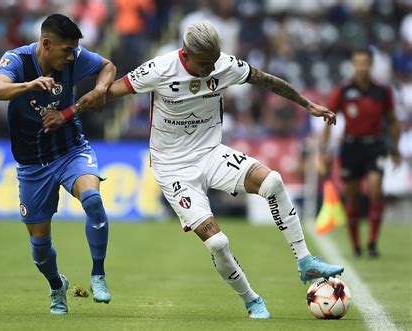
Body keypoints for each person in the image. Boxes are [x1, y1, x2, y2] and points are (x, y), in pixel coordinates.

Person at [44, 21, 345, 319]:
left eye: (214, 62)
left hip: (211, 153)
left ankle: (305, 261)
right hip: (173, 167)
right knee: (218, 242)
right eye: (204, 64)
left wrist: (307, 104)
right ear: (186, 55)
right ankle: (252, 300)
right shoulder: (158, 70)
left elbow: (266, 80)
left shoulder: (223, 65)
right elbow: (107, 94)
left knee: (273, 181)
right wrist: (67, 113)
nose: (211, 69)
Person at [0, 14, 116, 314]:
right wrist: (29, 85)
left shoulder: (75, 58)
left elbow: (108, 67)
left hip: (70, 150)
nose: (72, 57)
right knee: (40, 248)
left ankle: (98, 274)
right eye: (66, 51)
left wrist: (99, 89)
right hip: (33, 163)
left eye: (74, 51)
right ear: (46, 44)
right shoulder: (17, 60)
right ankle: (56, 286)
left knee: (93, 200)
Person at [320, 48, 401, 258]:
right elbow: (328, 121)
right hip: (351, 147)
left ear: (371, 64)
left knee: (375, 189)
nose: (361, 67)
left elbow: (392, 121)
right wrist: (324, 152)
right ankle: (356, 245)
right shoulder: (343, 90)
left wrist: (395, 148)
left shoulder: (382, 91)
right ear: (353, 65)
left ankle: (372, 242)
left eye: (365, 62)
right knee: (352, 196)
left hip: (375, 146)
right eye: (357, 63)